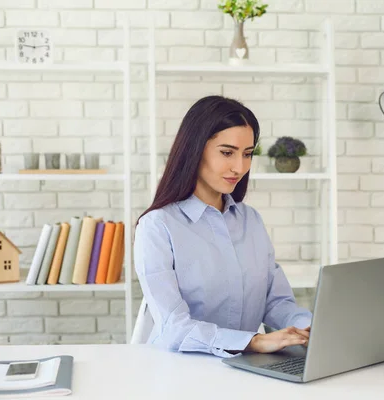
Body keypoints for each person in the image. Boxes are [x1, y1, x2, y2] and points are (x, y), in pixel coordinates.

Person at [134, 95, 312, 358]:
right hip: (180, 371)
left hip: (248, 369)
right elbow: (174, 327)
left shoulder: (250, 220)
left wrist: (309, 326)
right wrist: (252, 342)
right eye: (227, 152)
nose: (239, 167)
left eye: (248, 154)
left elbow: (275, 303)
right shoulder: (158, 227)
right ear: (195, 150)